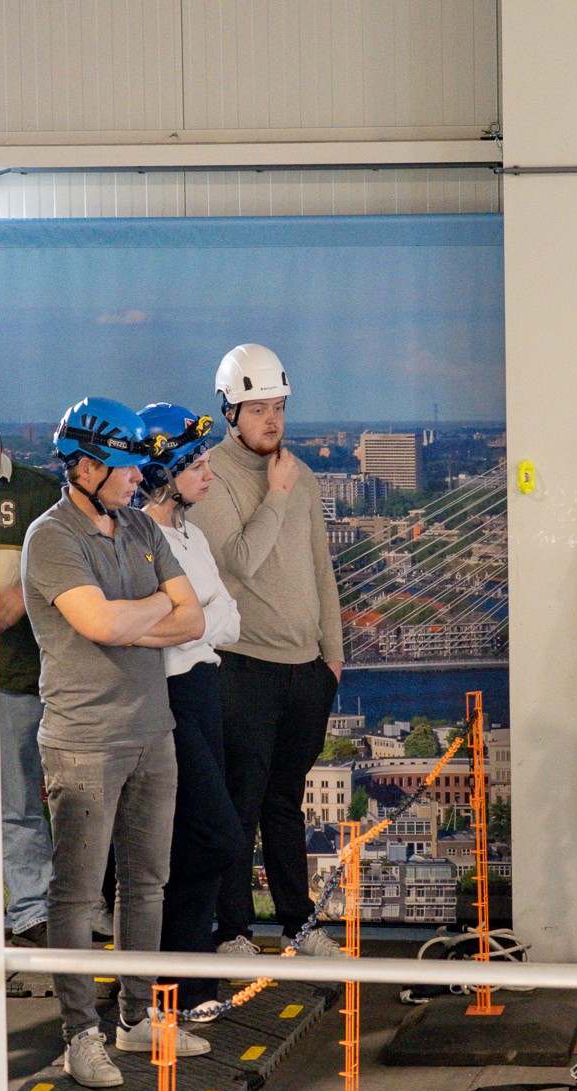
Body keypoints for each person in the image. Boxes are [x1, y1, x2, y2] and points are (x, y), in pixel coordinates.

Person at [21, 397, 205, 1089]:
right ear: (87, 467)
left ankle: (136, 1021)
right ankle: (80, 1035)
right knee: (73, 897)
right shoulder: (51, 537)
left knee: (146, 885)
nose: (139, 478)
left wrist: (137, 618)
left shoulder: (140, 527)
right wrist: (145, 611)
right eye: (126, 468)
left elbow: (191, 619)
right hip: (84, 742)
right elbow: (98, 624)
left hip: (152, 731)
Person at [188, 343, 346, 959]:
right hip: (246, 666)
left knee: (285, 801)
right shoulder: (213, 477)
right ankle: (232, 930)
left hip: (306, 671)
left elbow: (320, 569)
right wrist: (275, 496)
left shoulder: (299, 472)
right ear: (230, 411)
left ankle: (298, 923)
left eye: (278, 407)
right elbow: (238, 562)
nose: (272, 421)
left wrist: (332, 658)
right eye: (257, 409)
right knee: (239, 802)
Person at [137, 403, 247, 1016]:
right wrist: (193, 621)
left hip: (204, 690)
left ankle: (189, 989)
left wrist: (192, 621)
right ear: (164, 471)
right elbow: (184, 622)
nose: (208, 473)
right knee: (215, 839)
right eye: (195, 464)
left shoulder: (191, 534)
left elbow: (223, 620)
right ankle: (164, 985)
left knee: (194, 846)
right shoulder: (141, 538)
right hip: (171, 697)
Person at [0, 410, 64, 954]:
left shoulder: (39, 492)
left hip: (30, 675)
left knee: (27, 801)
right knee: (3, 802)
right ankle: (24, 909)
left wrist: (17, 596)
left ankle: (35, 910)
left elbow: (38, 586)